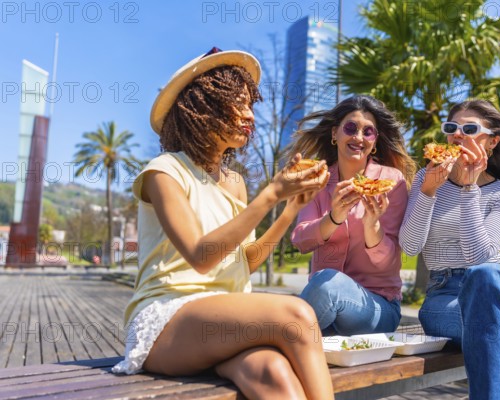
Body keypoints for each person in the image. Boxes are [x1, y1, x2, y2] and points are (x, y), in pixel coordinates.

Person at [112, 48, 335, 400]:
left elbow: (246, 261)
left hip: (224, 320)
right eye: (239, 103)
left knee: (273, 374)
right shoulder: (164, 171)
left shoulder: (235, 182)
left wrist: (290, 208)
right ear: (204, 106)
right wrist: (271, 194)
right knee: (295, 315)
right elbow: (201, 256)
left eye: (251, 105)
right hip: (169, 321)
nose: (249, 115)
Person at [399, 99, 500, 399]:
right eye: (451, 128)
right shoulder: (427, 177)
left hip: (497, 289)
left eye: (470, 128)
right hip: (444, 294)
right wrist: (428, 193)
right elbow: (410, 246)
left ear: (492, 141)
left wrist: (469, 189)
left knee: (487, 279)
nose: (457, 134)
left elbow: (480, 258)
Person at [288, 95, 416, 336]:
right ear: (335, 134)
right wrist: (334, 217)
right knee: (317, 294)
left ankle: (274, 344)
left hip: (377, 308)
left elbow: (390, 262)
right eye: (351, 128)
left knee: (328, 285)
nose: (359, 137)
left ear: (375, 142)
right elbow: (300, 240)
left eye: (368, 132)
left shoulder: (391, 182)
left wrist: (372, 224)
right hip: (325, 309)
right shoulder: (318, 180)